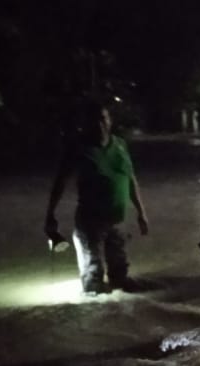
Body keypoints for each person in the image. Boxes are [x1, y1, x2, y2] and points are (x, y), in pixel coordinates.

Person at [45, 100, 149, 294]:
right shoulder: (78, 148)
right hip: (90, 221)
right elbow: (60, 182)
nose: (99, 125)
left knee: (120, 273)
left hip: (118, 219)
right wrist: (50, 214)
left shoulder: (120, 145)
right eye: (94, 120)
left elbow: (131, 179)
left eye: (103, 119)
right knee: (93, 282)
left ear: (110, 120)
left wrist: (141, 213)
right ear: (86, 123)